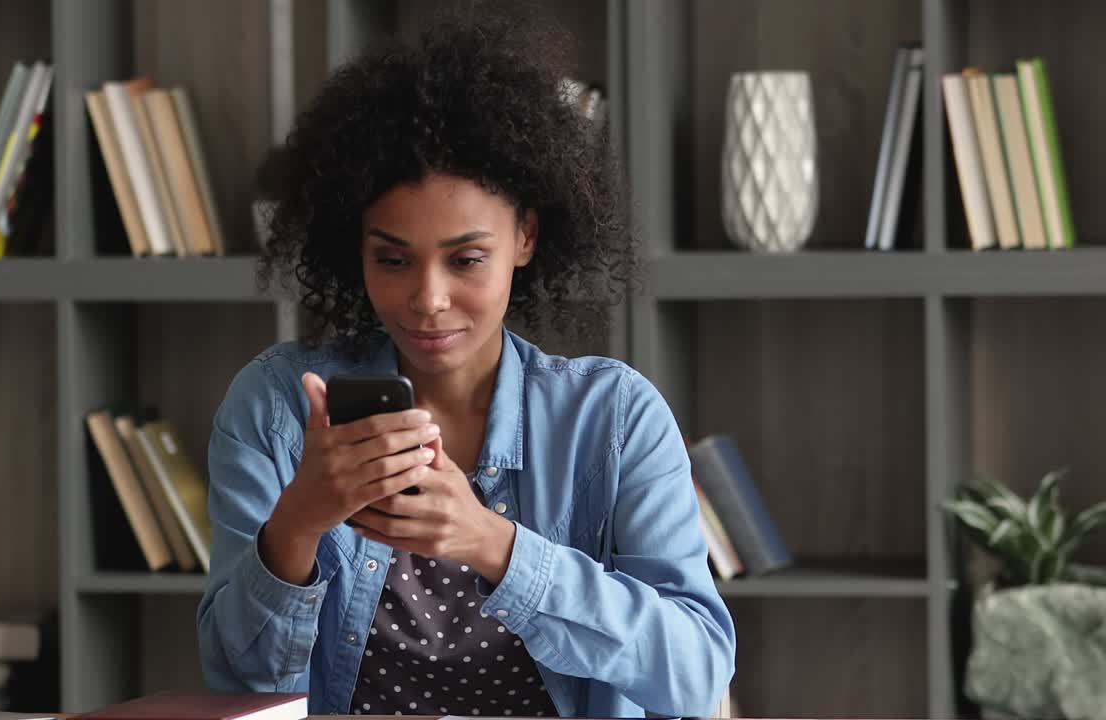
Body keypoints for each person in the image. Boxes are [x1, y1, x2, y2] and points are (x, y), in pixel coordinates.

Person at [197, 5, 735, 717]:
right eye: (392, 258)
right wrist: (296, 526)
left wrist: (497, 547)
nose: (427, 299)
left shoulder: (614, 419)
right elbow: (241, 688)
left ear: (527, 237)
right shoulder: (276, 408)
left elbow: (695, 674)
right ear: (352, 248)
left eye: (466, 259)